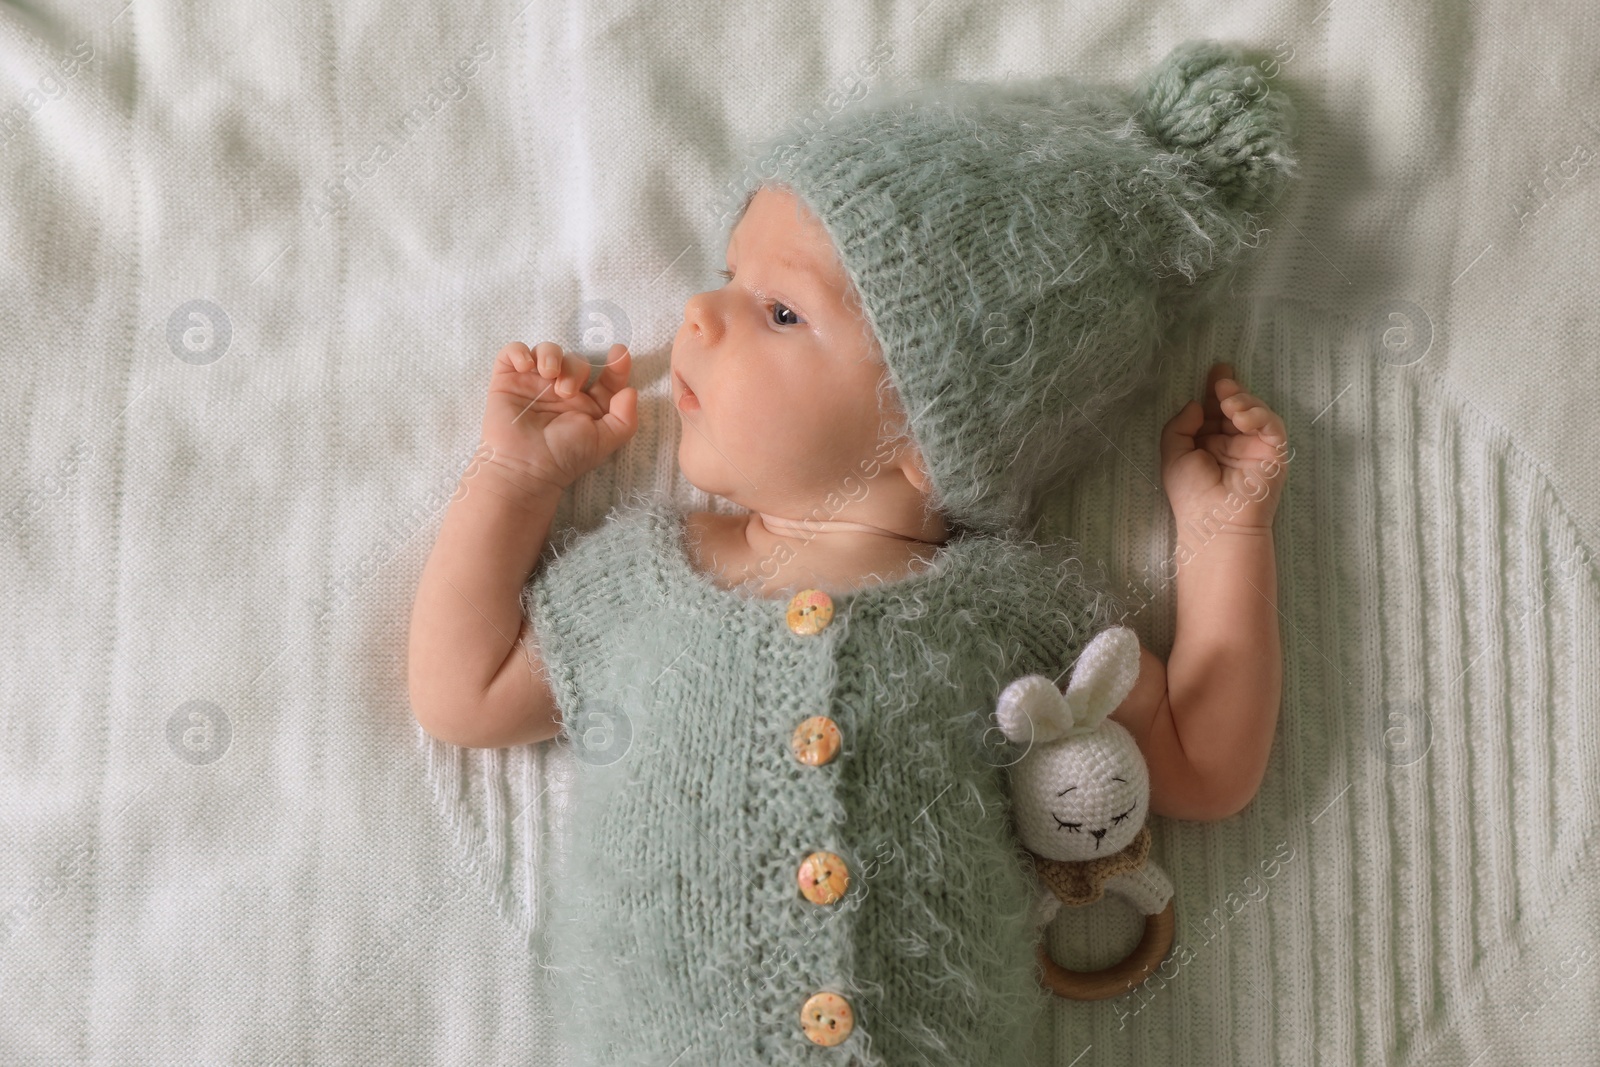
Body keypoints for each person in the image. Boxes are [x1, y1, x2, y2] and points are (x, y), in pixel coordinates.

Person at [409, 38, 1296, 1065]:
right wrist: (513, 481)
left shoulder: (1008, 612)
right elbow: (460, 692)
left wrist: (1225, 532)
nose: (700, 313)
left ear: (930, 436)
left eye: (779, 311)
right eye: (727, 279)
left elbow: (1201, 762)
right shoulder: (640, 579)